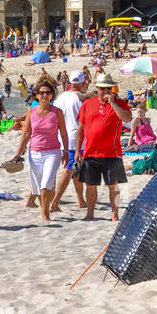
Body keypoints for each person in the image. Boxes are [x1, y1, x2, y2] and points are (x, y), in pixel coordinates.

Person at [75, 73, 132, 221]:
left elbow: (127, 118)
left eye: (109, 88)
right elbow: (80, 128)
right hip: (90, 152)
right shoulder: (88, 104)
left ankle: (115, 214)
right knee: (90, 185)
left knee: (113, 185)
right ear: (97, 88)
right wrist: (77, 150)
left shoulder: (119, 103)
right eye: (103, 88)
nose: (106, 91)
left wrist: (113, 104)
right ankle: (90, 213)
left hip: (112, 152)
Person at [12, 80, 70, 221]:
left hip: (53, 152)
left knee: (47, 182)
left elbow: (63, 133)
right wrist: (18, 153)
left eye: (48, 92)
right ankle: (45, 209)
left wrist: (66, 151)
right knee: (38, 185)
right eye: (42, 92)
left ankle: (45, 214)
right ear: (37, 95)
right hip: (34, 153)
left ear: (52, 95)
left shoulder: (57, 112)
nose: (45, 95)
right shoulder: (31, 111)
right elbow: (26, 133)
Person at [50, 71, 87, 212]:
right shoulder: (81, 99)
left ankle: (81, 201)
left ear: (70, 83)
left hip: (61, 137)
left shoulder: (60, 97)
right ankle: (54, 203)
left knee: (76, 169)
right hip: (75, 139)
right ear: (83, 83)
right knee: (69, 170)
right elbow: (84, 121)